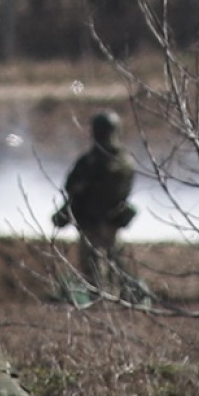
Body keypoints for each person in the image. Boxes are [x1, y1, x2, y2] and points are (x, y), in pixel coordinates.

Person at [53, 110, 138, 299]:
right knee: (114, 260)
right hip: (113, 220)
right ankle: (114, 297)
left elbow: (71, 186)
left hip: (92, 222)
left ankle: (100, 300)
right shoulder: (126, 160)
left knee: (93, 264)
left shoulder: (91, 161)